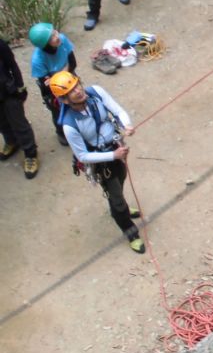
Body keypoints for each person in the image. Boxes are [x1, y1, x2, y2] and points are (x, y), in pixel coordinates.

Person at [49, 71, 144, 253]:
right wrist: (113, 155)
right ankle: (130, 231)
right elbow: (83, 156)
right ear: (65, 100)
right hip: (103, 162)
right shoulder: (70, 125)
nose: (78, 90)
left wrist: (126, 125)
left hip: (116, 149)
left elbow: (117, 110)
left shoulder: (96, 93)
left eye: (77, 85)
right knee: (115, 195)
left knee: (121, 177)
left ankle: (120, 204)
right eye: (72, 91)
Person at [28, 21, 77, 146]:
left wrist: (57, 75)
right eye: (52, 37)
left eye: (55, 33)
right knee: (58, 111)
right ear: (45, 45)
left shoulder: (63, 40)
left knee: (78, 101)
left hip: (69, 77)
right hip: (53, 90)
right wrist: (64, 70)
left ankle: (79, 128)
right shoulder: (38, 60)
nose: (57, 37)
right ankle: (62, 133)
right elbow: (47, 85)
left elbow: (72, 63)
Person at [0, 38, 39, 179]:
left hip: (8, 92)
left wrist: (20, 87)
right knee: (2, 123)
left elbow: (12, 65)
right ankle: (11, 142)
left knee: (19, 123)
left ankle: (30, 154)